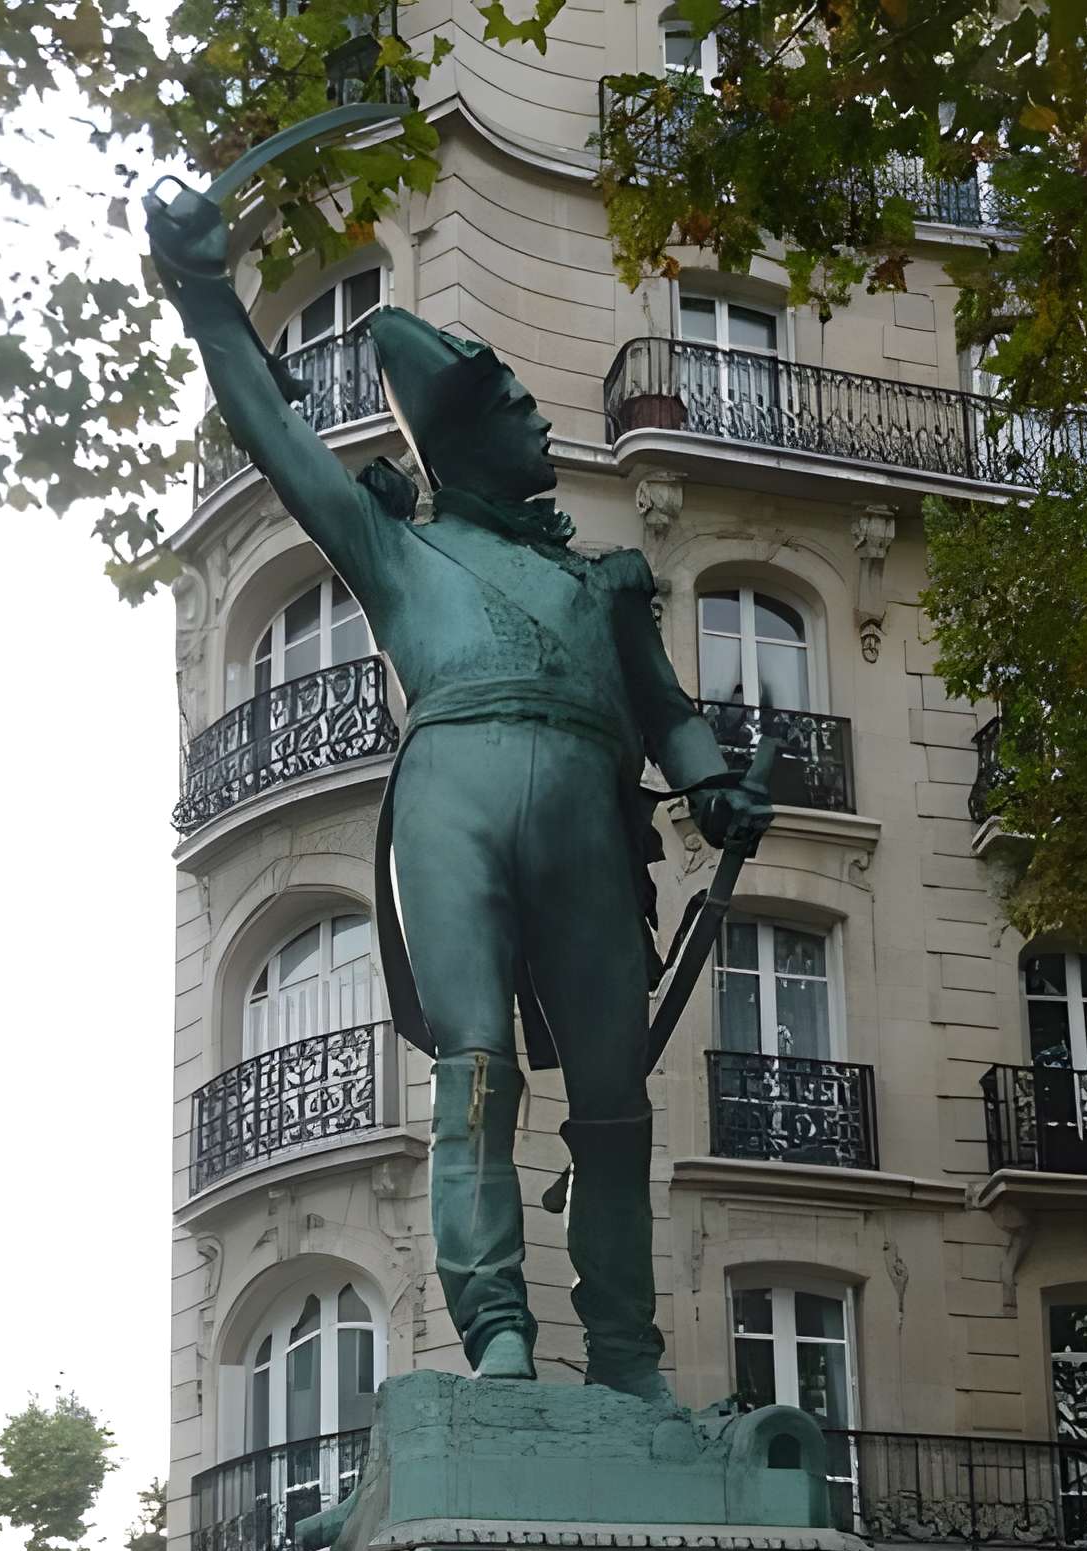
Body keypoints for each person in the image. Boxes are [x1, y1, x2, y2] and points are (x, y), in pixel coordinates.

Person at [146, 186, 770, 1401]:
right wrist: (209, 296)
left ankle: (628, 1353)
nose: (541, 422)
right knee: (476, 1067)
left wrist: (710, 787)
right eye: (517, 410)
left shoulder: (604, 584)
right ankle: (495, 1328)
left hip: (592, 814)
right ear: (463, 436)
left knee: (610, 1094)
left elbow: (667, 711)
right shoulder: (396, 549)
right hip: (452, 798)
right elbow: (275, 435)